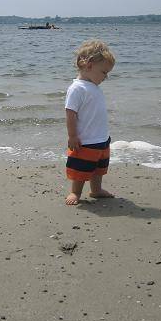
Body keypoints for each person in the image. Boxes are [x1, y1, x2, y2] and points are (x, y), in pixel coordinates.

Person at [65, 39, 115, 205]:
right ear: (88, 65)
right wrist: (72, 136)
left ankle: (96, 190)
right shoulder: (77, 88)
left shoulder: (93, 86)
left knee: (98, 168)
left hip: (101, 138)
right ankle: (75, 192)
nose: (105, 77)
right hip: (86, 140)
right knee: (81, 168)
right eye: (103, 72)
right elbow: (70, 113)